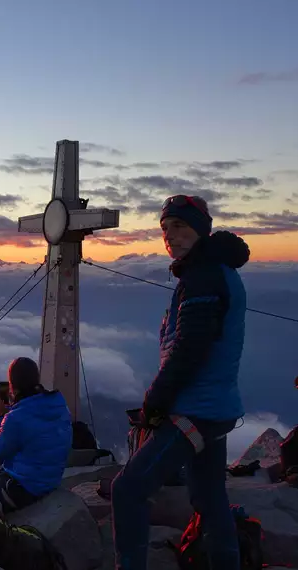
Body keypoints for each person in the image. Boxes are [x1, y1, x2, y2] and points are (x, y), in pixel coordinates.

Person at [111, 195, 250, 570]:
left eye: (179, 225)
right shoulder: (212, 270)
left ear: (200, 230)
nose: (170, 235)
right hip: (215, 407)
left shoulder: (203, 276)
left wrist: (155, 403)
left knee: (127, 490)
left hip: (196, 409)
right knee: (209, 497)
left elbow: (190, 348)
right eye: (165, 228)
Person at [0, 356, 72, 514]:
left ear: (13, 387)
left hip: (24, 488)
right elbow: (33, 426)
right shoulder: (58, 403)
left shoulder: (15, 418)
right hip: (50, 479)